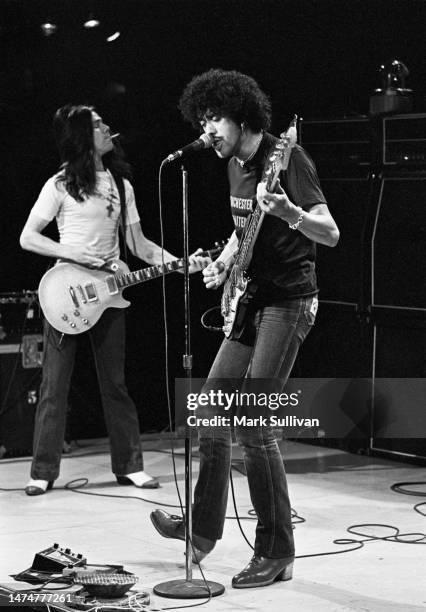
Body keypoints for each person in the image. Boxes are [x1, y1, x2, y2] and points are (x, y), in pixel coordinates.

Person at [150, 69, 339, 588]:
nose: (206, 129)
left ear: (241, 116)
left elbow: (332, 232)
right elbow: (245, 228)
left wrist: (291, 211)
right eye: (201, 119)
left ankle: (276, 550)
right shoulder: (231, 163)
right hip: (251, 300)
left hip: (290, 302)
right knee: (209, 411)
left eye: (213, 118)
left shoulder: (287, 159)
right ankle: (202, 529)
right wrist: (226, 263)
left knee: (255, 426)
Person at [20, 104, 209, 496]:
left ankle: (130, 466)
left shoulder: (122, 186)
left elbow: (139, 245)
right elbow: (28, 237)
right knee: (54, 386)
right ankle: (41, 471)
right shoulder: (59, 185)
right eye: (98, 125)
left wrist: (179, 263)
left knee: (116, 384)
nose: (108, 128)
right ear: (80, 136)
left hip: (108, 294)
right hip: (65, 294)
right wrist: (74, 254)